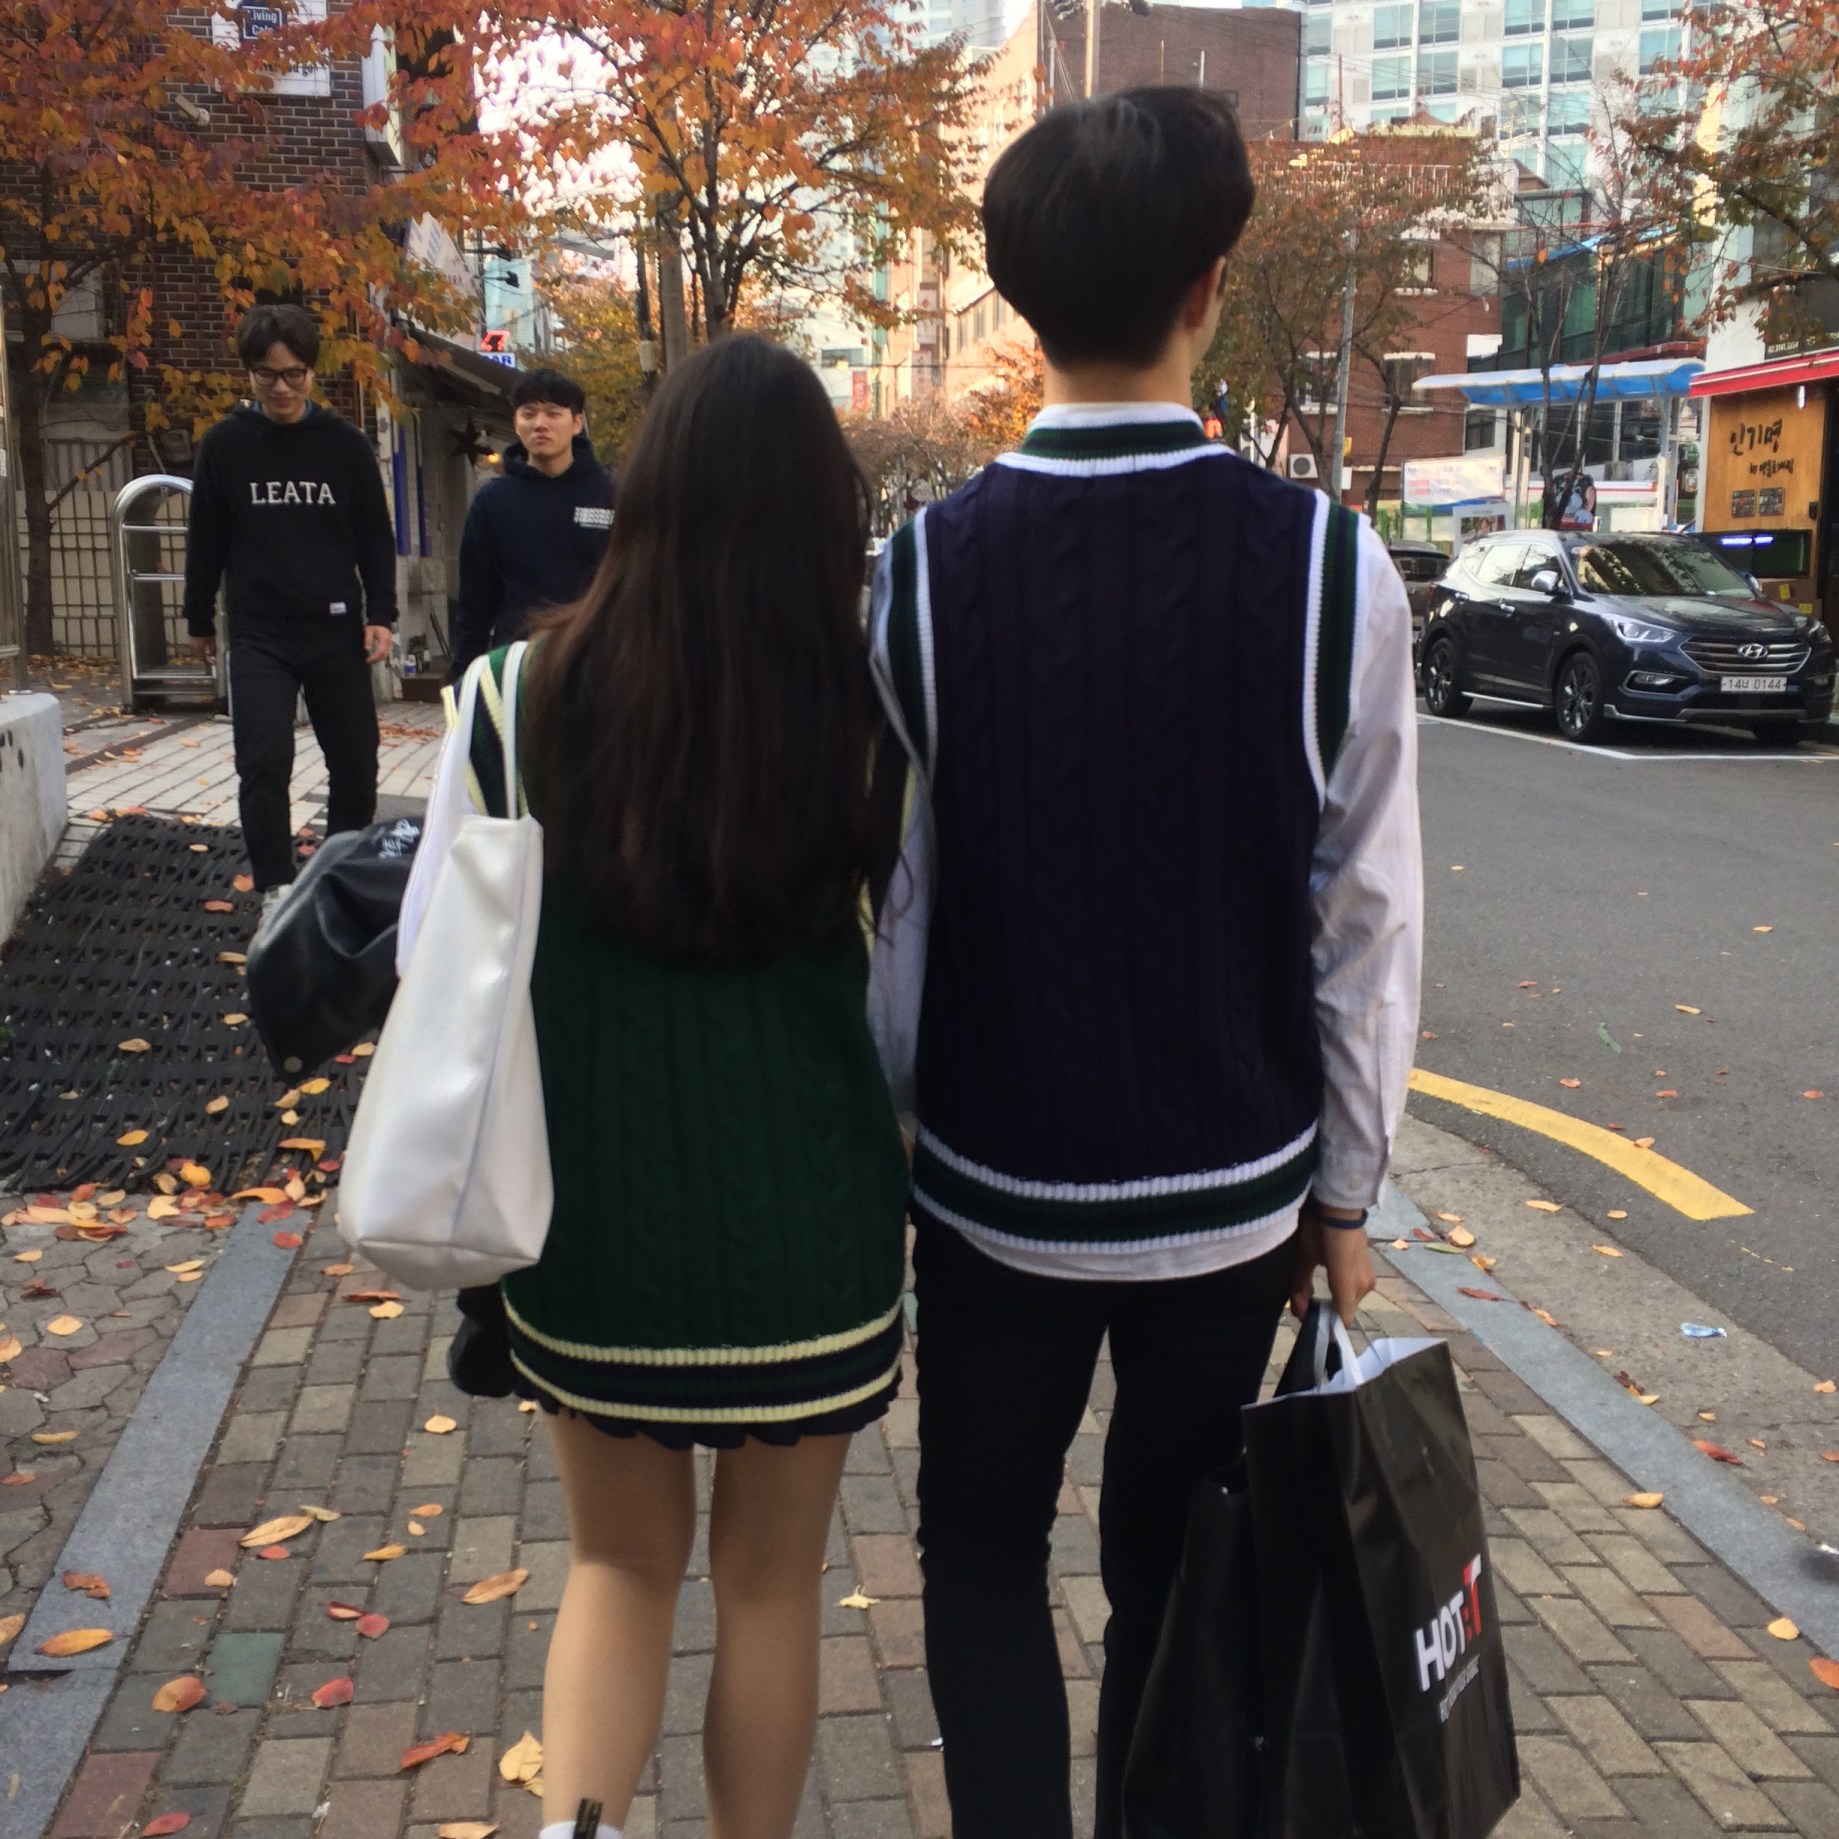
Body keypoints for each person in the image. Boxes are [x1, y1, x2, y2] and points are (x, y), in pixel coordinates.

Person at [866, 89, 1422, 1839]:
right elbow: (1364, 915)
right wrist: (1345, 1189)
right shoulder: (1331, 568)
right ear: (1206, 283)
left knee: (976, 1545)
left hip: (989, 1188)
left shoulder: (919, 574)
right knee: (1173, 1560)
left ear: (1017, 302)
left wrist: (901, 1122)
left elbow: (901, 910)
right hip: (1231, 1192)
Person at [400, 335, 909, 1839]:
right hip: (810, 1232)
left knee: (618, 1568)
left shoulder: (509, 699)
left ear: (648, 496)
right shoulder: (870, 716)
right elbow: (905, 992)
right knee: (772, 1585)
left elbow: (437, 957)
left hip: (593, 1223)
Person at [183, 304, 395, 906]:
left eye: (293, 374)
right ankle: (275, 888)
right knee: (263, 761)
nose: (280, 387)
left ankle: (339, 875)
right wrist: (199, 618)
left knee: (356, 761)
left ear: (312, 372)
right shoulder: (224, 445)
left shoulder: (345, 446)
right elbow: (206, 537)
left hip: (335, 628)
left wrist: (381, 614)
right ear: (249, 373)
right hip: (259, 632)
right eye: (266, 375)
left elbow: (374, 536)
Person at [448, 368, 615, 681]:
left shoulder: (613, 494)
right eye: (529, 414)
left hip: (600, 664)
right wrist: (461, 682)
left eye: (553, 413)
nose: (540, 424)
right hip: (518, 669)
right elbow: (475, 604)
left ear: (577, 422)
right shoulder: (493, 502)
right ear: (516, 422)